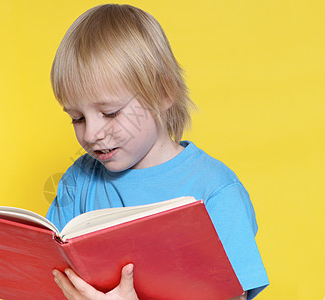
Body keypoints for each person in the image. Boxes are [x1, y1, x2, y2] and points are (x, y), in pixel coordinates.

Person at [46, 4, 269, 299]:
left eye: (110, 113)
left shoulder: (215, 190)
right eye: (77, 118)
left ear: (163, 93)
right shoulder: (78, 182)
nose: (90, 134)